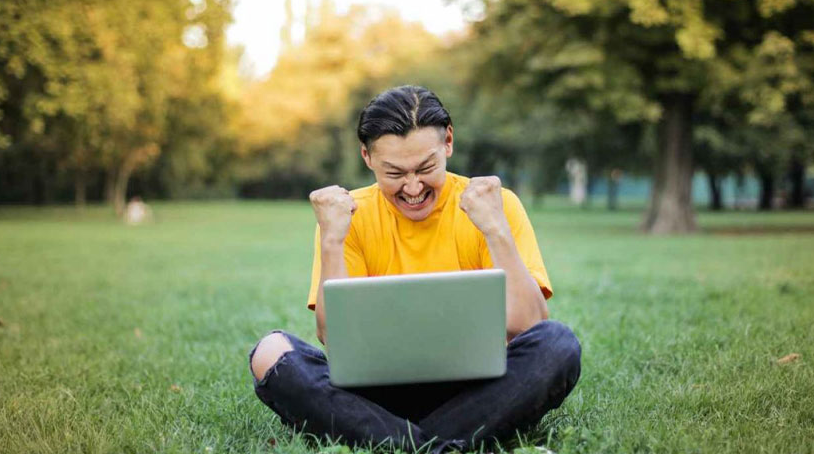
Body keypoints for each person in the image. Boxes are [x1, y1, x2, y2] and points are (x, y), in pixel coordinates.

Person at [249, 85, 581, 453]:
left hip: (477, 391)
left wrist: (495, 229)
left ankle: (396, 443)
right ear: (367, 157)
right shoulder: (345, 215)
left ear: (448, 142)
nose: (412, 187)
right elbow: (333, 335)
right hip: (376, 396)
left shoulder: (492, 204)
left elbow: (531, 327)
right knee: (270, 352)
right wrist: (332, 240)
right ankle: (442, 444)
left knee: (558, 343)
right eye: (394, 173)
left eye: (426, 168)